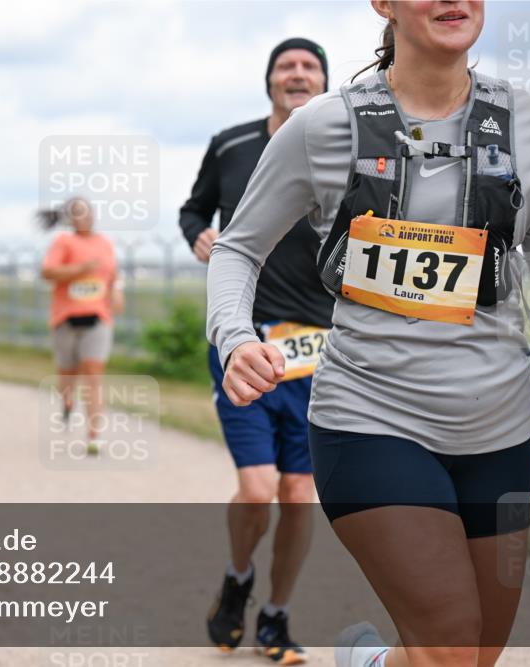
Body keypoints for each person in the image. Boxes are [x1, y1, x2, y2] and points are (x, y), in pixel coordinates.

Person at [207, 2, 530, 667]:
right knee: (452, 644)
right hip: (371, 417)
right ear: (384, 3)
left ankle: (367, 662)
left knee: (473, 654)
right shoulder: (328, 125)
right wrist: (234, 337)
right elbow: (237, 248)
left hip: (500, 430)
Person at [181, 37, 332, 664]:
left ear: (324, 82)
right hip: (243, 337)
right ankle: (238, 576)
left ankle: (276, 615)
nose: (297, 74)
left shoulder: (348, 145)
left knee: (299, 495)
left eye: (309, 67)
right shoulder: (233, 143)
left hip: (319, 348)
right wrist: (200, 235)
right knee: (257, 485)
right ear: (269, 80)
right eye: (285, 66)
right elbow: (192, 209)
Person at [39, 197, 123, 456]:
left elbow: (112, 274)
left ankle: (94, 435)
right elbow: (47, 272)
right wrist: (80, 269)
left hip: (97, 318)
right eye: (77, 214)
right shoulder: (63, 242)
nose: (83, 218)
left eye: (87, 213)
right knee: (68, 374)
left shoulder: (105, 243)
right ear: (69, 218)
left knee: (93, 376)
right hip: (66, 319)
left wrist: (117, 292)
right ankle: (67, 401)